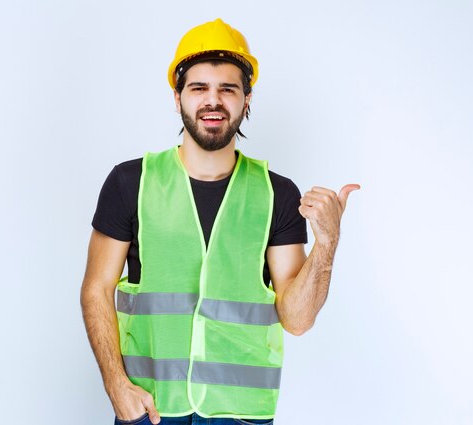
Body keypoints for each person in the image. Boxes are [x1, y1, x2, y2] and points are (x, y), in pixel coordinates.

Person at [81, 18, 360, 425]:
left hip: (241, 414)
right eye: (199, 88)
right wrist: (115, 385)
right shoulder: (131, 183)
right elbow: (96, 288)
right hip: (151, 408)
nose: (213, 101)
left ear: (247, 101)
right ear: (177, 99)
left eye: (228, 89)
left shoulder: (276, 194)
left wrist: (328, 244)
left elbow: (298, 320)